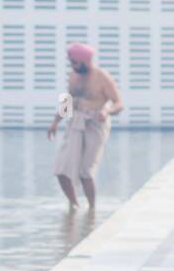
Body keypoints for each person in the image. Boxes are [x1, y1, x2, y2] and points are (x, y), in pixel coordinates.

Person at [48, 42, 123, 209]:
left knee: (85, 172)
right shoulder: (73, 76)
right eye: (70, 62)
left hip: (96, 123)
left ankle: (92, 210)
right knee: (61, 170)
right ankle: (74, 206)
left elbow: (119, 103)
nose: (72, 66)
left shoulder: (102, 77)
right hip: (75, 121)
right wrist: (54, 122)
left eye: (74, 62)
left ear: (85, 61)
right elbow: (67, 101)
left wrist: (107, 111)